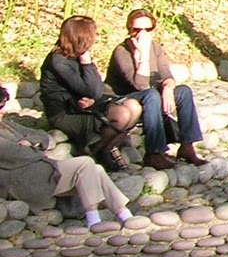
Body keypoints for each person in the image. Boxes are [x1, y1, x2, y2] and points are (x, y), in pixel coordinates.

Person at [0, 86, 134, 228]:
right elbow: (14, 154)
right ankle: (93, 219)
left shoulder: (5, 124)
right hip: (23, 181)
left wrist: (30, 142)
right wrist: (35, 149)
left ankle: (123, 214)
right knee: (85, 163)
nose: (3, 110)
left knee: (97, 169)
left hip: (42, 171)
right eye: (1, 106)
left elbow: (43, 136)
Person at [106, 8, 208, 169]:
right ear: (129, 30)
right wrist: (142, 56)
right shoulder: (122, 51)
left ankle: (187, 146)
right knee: (152, 95)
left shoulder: (155, 47)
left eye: (147, 30)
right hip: (126, 100)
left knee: (183, 91)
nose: (141, 34)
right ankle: (154, 153)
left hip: (150, 94)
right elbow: (140, 85)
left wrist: (168, 88)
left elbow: (167, 74)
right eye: (136, 30)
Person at [38, 16, 141, 173]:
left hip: (83, 105)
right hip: (64, 113)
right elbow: (93, 90)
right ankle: (97, 149)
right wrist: (88, 64)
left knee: (134, 107)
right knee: (122, 114)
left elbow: (95, 88)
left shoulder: (77, 54)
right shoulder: (59, 62)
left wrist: (91, 95)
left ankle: (107, 146)